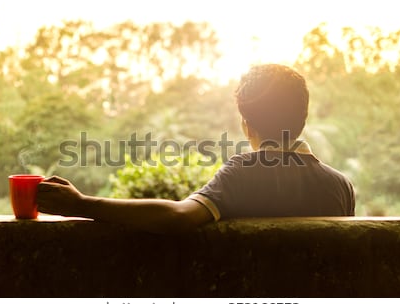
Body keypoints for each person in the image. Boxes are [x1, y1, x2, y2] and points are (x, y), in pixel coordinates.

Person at [37, 64, 355, 234]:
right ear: (302, 117)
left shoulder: (241, 172)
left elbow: (178, 216)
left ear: (247, 125)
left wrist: (81, 204)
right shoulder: (341, 187)